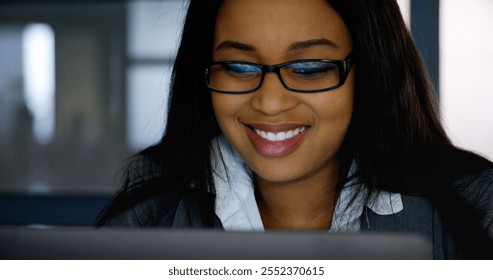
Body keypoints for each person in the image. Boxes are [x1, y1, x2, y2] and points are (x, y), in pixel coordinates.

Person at [96, 0, 493, 259]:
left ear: (371, 71)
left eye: (309, 69)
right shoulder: (149, 215)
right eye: (237, 66)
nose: (270, 103)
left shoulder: (476, 206)